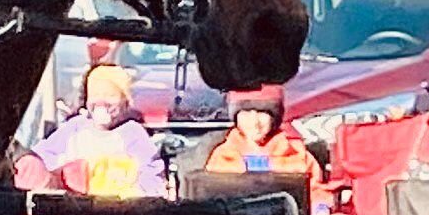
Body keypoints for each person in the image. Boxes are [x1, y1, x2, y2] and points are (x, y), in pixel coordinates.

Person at [27, 61, 161, 199]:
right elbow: (41, 157)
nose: (102, 101)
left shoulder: (133, 133)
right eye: (95, 94)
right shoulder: (75, 127)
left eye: (111, 95)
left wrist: (136, 194)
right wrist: (64, 170)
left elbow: (152, 175)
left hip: (114, 212)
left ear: (126, 103)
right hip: (74, 207)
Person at [193, 89, 317, 194]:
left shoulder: (296, 152)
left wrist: (320, 211)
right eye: (246, 112)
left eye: (262, 113)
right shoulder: (223, 155)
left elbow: (317, 190)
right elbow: (211, 196)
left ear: (275, 118)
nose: (254, 122)